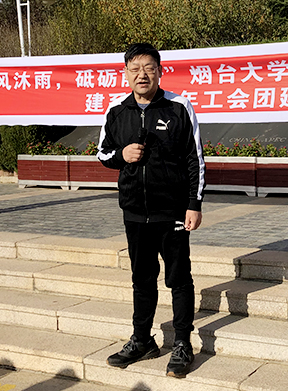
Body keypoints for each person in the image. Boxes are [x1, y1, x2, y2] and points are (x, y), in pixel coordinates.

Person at [97, 42, 205, 377]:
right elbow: (103, 152)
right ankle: (142, 340)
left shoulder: (179, 107)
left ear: (160, 71)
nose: (142, 75)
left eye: (148, 68)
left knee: (179, 279)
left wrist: (194, 204)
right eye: (135, 69)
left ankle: (182, 342)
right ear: (126, 73)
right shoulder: (116, 110)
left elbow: (195, 159)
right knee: (142, 279)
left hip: (172, 212)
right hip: (134, 212)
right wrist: (122, 155)